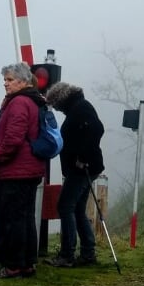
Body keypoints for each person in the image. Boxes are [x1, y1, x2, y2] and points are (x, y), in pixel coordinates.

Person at [0, 63, 46, 278]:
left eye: (9, 79)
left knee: (12, 219)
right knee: (25, 218)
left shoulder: (19, 102)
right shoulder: (32, 101)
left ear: (22, 81)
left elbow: (13, 137)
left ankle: (13, 265)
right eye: (5, 79)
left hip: (15, 170)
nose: (5, 83)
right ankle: (27, 263)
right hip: (30, 169)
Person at [43, 81, 104, 267]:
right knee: (77, 209)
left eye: (57, 105)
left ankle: (67, 254)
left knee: (65, 206)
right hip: (84, 167)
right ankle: (87, 253)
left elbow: (97, 129)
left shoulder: (80, 108)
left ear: (62, 100)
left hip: (82, 169)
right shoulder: (78, 107)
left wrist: (82, 157)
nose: (59, 110)